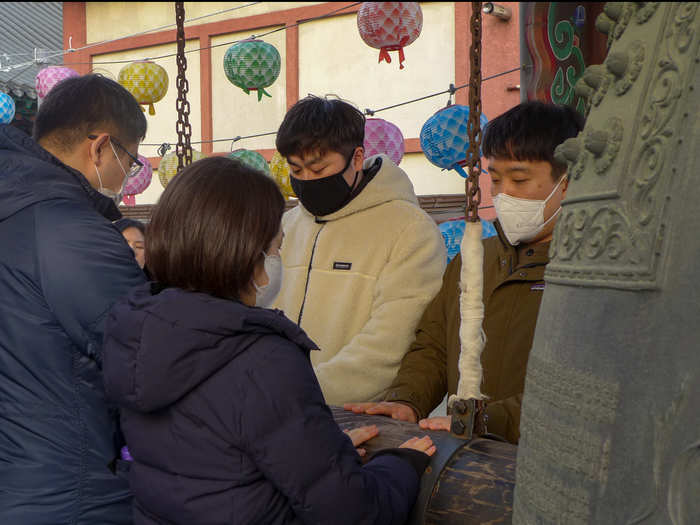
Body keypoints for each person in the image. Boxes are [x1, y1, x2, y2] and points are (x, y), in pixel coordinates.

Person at [102, 156, 436, 525]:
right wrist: (400, 466)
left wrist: (327, 455)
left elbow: (218, 458)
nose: (277, 260)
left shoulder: (136, 330)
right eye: (276, 248)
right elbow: (352, 511)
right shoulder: (261, 358)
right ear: (244, 253)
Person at [345, 101, 585, 444]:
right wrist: (407, 400)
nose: (503, 195)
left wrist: (488, 420)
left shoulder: (589, 275)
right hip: (467, 456)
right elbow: (433, 346)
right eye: (497, 180)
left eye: (519, 179)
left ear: (568, 181)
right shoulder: (474, 261)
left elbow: (576, 388)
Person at [0, 74, 147, 524]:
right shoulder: (71, 233)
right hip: (66, 490)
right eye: (131, 160)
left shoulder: (15, 203)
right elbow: (149, 357)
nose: (128, 175)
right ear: (101, 147)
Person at [273, 95, 446, 405]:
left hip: (359, 417)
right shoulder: (287, 226)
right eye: (296, 171)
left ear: (356, 158)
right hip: (271, 405)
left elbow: (390, 342)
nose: (307, 181)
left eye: (318, 168)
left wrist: (301, 392)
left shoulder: (410, 231)